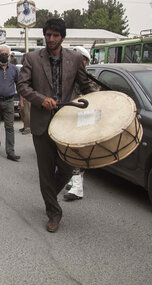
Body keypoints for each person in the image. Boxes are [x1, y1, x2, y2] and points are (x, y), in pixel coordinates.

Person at [17, 18, 95, 233]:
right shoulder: (32, 58)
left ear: (63, 37)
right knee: (45, 171)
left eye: (55, 35)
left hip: (68, 122)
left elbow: (85, 85)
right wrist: (41, 99)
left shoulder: (76, 58)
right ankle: (53, 212)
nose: (51, 39)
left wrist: (103, 102)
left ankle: (49, 194)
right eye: (48, 35)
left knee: (68, 167)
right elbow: (22, 86)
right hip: (42, 123)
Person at [63, 46, 94, 202]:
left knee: (77, 152)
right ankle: (74, 181)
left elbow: (92, 97)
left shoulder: (86, 78)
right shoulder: (70, 75)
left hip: (82, 119)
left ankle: (77, 188)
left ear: (84, 61)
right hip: (70, 118)